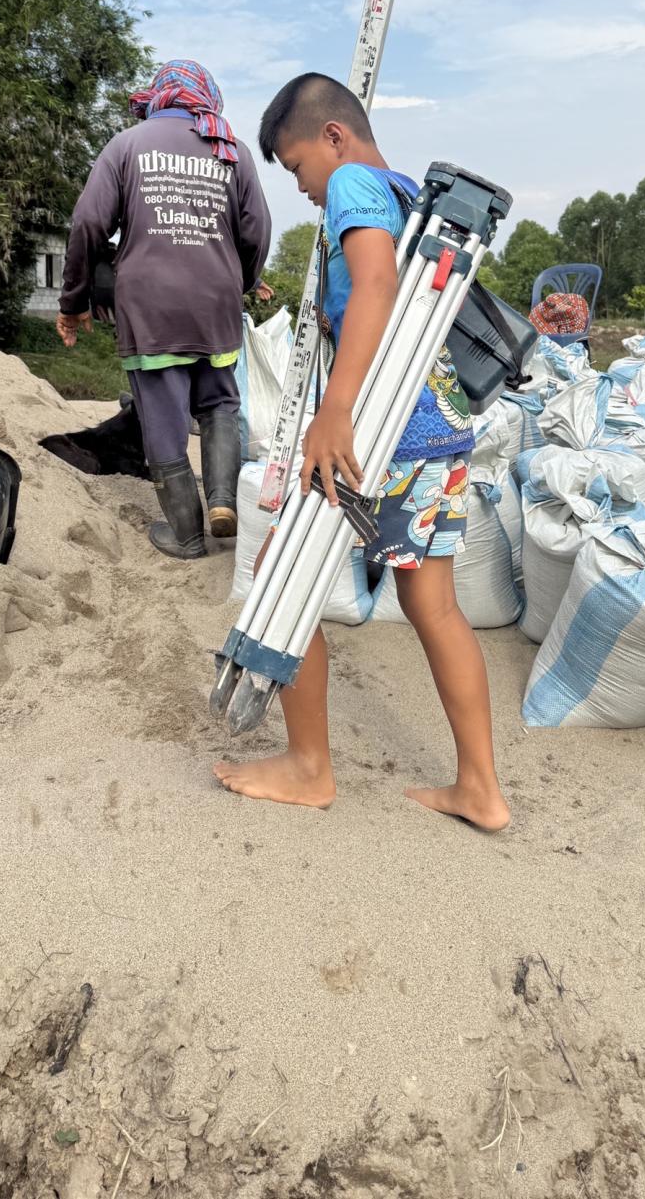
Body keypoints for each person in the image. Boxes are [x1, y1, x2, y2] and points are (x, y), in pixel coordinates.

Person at [213, 73, 510, 831]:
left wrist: (334, 410)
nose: (306, 189)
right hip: (439, 432)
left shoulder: (352, 182)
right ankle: (480, 786)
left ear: (334, 138)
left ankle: (310, 767)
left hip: (375, 432)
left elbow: (375, 281)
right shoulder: (407, 189)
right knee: (434, 605)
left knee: (284, 568)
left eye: (297, 166)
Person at [58, 61, 272, 560]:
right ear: (207, 97)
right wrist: (240, 282)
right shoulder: (232, 150)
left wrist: (75, 300)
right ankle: (222, 500)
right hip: (215, 304)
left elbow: (88, 223)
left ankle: (186, 534)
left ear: (158, 96)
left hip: (149, 306)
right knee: (220, 403)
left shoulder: (127, 145)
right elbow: (257, 232)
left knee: (162, 415)